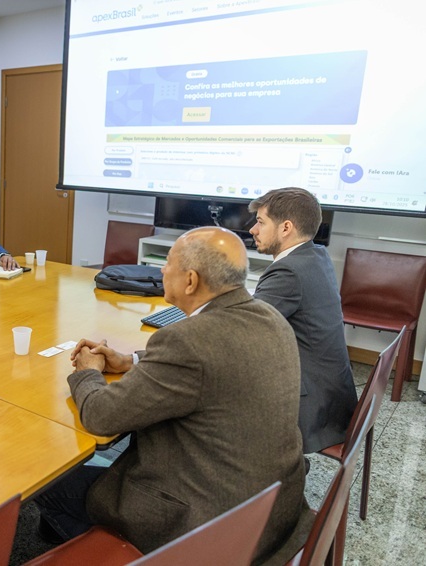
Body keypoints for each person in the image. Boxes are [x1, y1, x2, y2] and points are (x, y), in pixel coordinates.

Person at [35, 227, 310, 565]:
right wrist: (130, 360)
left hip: (203, 522)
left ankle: (93, 546)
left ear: (191, 281)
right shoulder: (270, 318)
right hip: (270, 507)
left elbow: (102, 417)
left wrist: (87, 371)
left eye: (167, 264)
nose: (162, 271)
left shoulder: (188, 341)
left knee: (49, 480)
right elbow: (207, 366)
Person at [248, 187, 357, 454]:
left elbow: (240, 329)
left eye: (261, 222)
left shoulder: (288, 270)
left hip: (311, 409)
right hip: (332, 395)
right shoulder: (315, 255)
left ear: (286, 228)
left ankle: (277, 474)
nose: (253, 229)